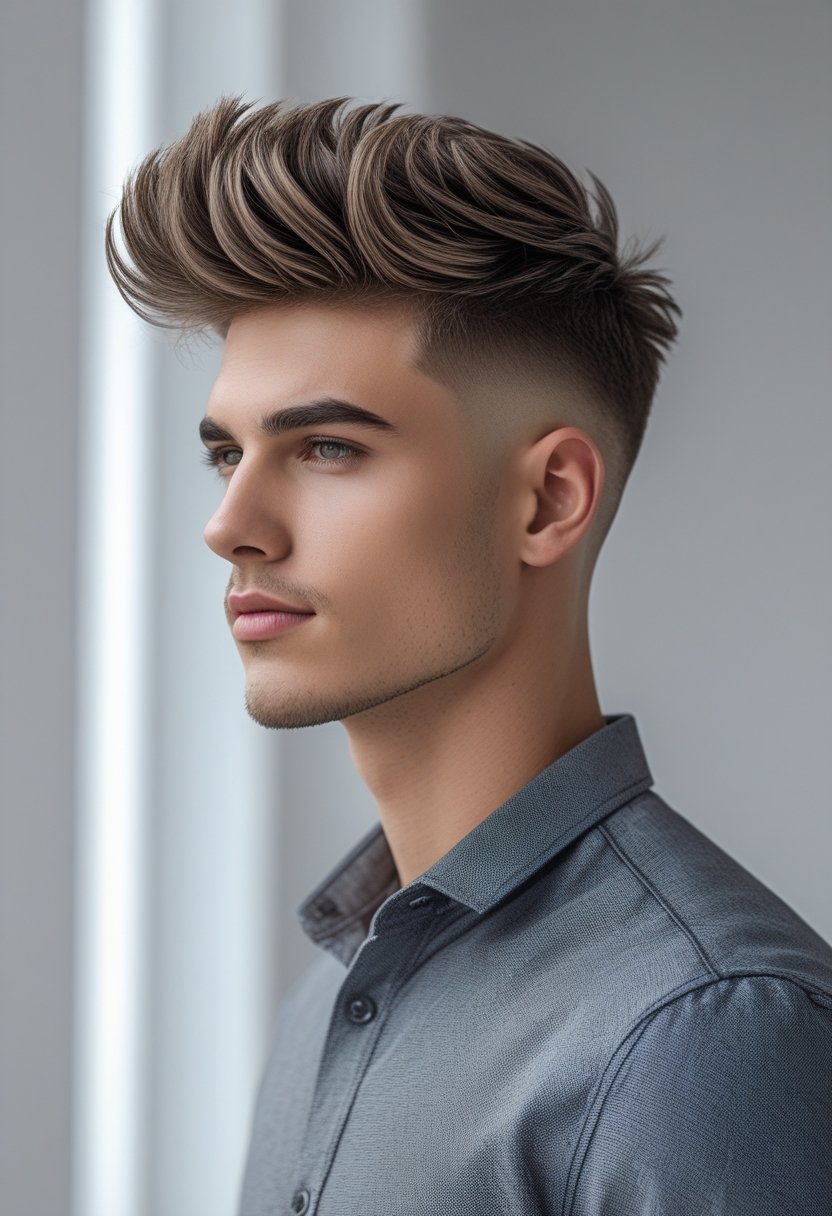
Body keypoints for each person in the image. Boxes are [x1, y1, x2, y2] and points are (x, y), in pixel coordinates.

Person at [105, 94, 832, 1216]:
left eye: (328, 446)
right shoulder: (334, 995)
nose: (231, 523)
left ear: (548, 499)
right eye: (226, 454)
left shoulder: (700, 1033)